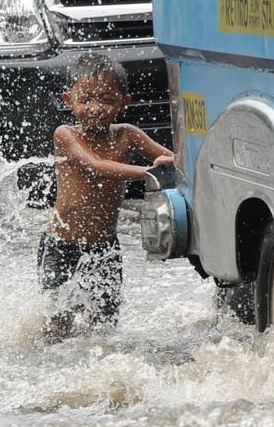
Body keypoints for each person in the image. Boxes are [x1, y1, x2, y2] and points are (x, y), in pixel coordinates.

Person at [38, 53, 173, 341]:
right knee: (58, 323)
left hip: (104, 248)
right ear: (68, 100)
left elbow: (171, 158)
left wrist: (173, 164)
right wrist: (149, 172)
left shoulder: (128, 135)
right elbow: (96, 166)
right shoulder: (66, 134)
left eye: (106, 100)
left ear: (125, 103)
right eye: (85, 100)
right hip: (61, 245)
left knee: (105, 325)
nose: (95, 108)